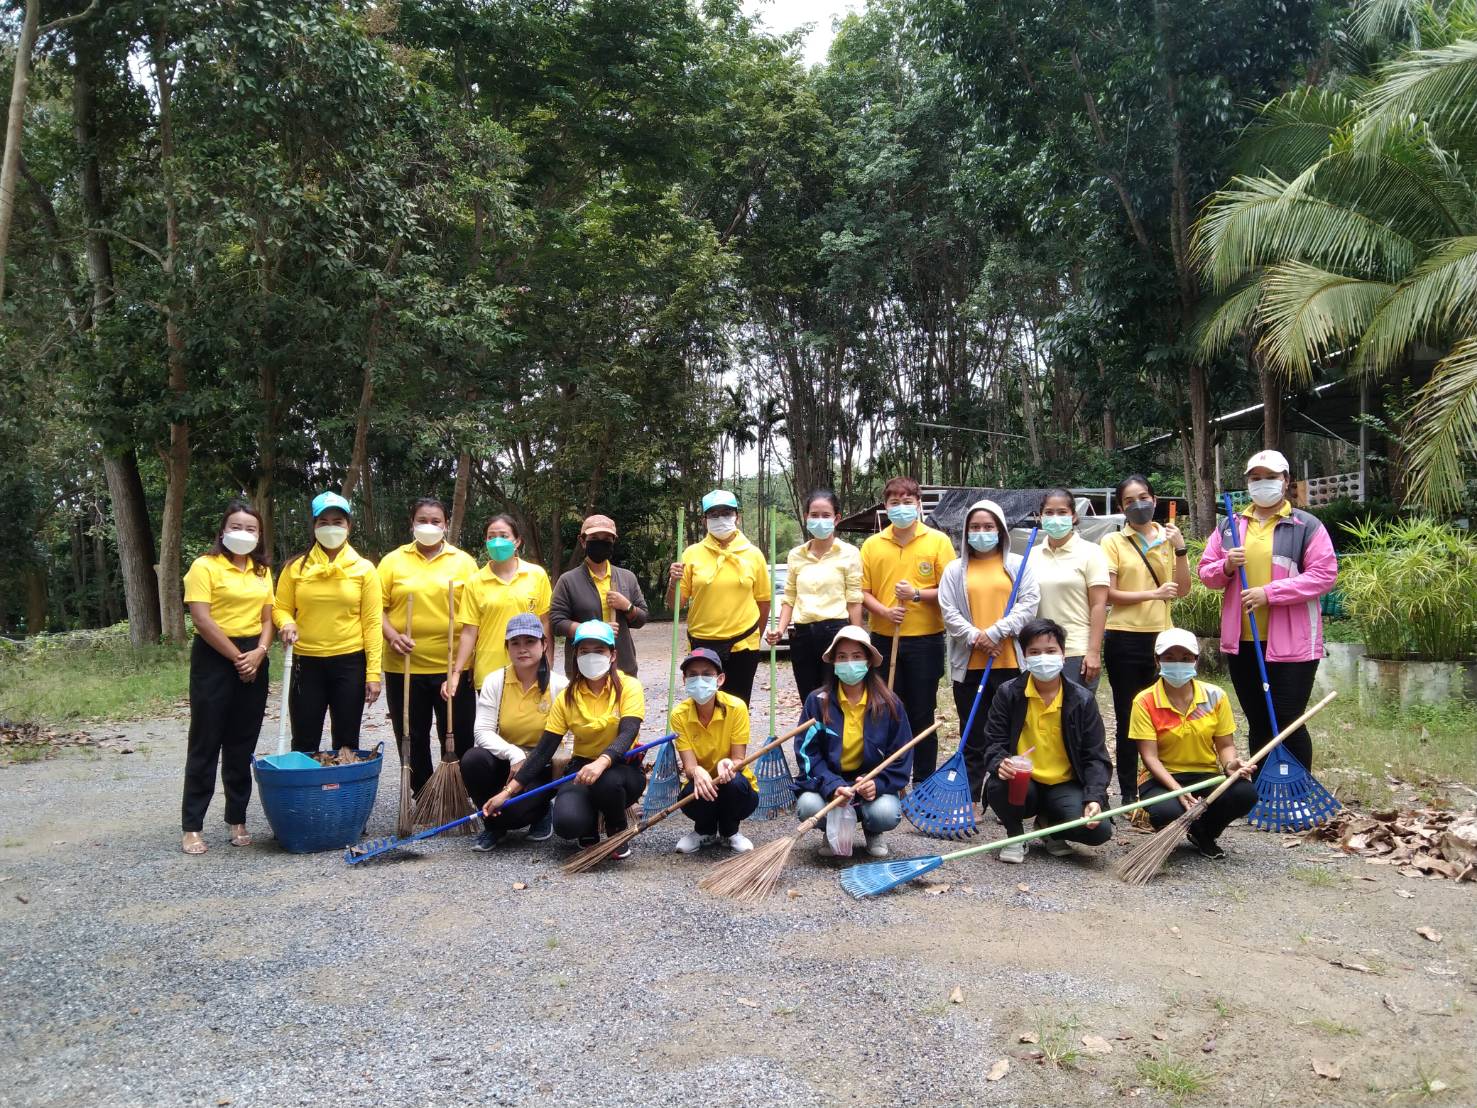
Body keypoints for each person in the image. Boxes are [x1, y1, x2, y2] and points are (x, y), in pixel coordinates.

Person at [1198, 450, 1337, 773]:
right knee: (1259, 719)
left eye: (1271, 477)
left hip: (1292, 644)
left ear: (1286, 481)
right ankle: (1264, 790)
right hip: (1244, 640)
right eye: (1256, 478)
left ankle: (1297, 793)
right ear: (1247, 483)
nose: (1263, 484)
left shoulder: (1306, 526)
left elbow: (1324, 575)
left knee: (1287, 719)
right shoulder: (1230, 525)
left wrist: (1269, 593)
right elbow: (1206, 573)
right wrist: (1227, 566)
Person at [483, 620, 646, 854]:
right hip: (581, 768)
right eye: (584, 651)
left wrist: (601, 763)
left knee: (606, 782)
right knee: (567, 823)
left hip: (622, 769)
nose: (591, 656)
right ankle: (587, 826)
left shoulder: (629, 686)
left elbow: (628, 732)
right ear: (576, 655)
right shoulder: (567, 696)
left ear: (612, 654)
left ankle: (616, 829)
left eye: (599, 650)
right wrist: (507, 792)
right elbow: (543, 751)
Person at [180, 501, 275, 855]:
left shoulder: (262, 572)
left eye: (251, 529)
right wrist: (237, 658)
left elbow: (269, 619)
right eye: (236, 527)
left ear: (259, 535)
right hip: (215, 657)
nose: (243, 534)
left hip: (254, 656)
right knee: (206, 741)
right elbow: (201, 619)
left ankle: (238, 818)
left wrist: (259, 653)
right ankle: (192, 826)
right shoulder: (204, 567)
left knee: (242, 742)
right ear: (223, 531)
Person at [979, 618, 1112, 864]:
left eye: (1051, 651)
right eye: (1035, 652)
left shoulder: (1082, 700)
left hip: (1064, 784)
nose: (1043, 658)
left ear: (1063, 655)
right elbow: (992, 741)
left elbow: (1095, 756)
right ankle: (1015, 836)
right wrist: (1000, 762)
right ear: (1025, 657)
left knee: (1099, 830)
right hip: (1022, 780)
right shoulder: (1009, 693)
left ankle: (1051, 828)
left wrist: (1094, 797)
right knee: (999, 784)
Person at [377, 497, 479, 794]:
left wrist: (461, 666)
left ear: (446, 525)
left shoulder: (464, 562)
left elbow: (474, 615)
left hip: (453, 666)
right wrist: (392, 635)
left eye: (436, 521)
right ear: (412, 524)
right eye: (422, 520)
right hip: (404, 667)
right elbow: (376, 609)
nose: (429, 526)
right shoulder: (392, 561)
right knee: (412, 733)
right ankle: (421, 792)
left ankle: (460, 792)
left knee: (459, 732)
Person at [940, 498, 1039, 801]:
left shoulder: (1018, 565)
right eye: (975, 527)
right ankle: (969, 795)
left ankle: (1003, 795)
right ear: (966, 531)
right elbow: (948, 610)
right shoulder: (955, 570)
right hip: (970, 664)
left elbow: (1029, 602)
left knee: (1008, 732)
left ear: (1000, 530)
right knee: (972, 734)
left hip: (1009, 662)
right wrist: (976, 637)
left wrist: (997, 631)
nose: (981, 532)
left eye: (988, 526)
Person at [859, 476, 957, 781]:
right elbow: (862, 592)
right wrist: (886, 611)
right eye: (894, 502)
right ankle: (891, 777)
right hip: (884, 640)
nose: (901, 508)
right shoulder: (873, 545)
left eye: (907, 501)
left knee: (921, 712)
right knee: (886, 711)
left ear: (918, 504)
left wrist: (916, 594)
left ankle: (923, 778)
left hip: (926, 640)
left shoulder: (938, 541)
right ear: (885, 506)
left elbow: (950, 590)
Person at [1101, 475, 1189, 803]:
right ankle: (1127, 792)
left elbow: (1182, 589)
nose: (1138, 505)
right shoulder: (1113, 542)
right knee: (1128, 715)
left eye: (1143, 497)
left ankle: (1163, 786)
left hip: (1163, 640)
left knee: (1163, 714)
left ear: (1153, 498)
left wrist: (1180, 548)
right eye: (1129, 501)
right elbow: (1109, 593)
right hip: (1124, 639)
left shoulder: (1168, 538)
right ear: (1122, 508)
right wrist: (1152, 593)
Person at [1131, 628, 1257, 859]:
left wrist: (1231, 765)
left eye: (1185, 658)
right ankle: (1193, 829)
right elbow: (1149, 757)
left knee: (1245, 794)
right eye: (1169, 658)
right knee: (1166, 811)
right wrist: (1177, 790)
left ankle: (1205, 832)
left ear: (1196, 661)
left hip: (1206, 774)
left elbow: (1225, 745)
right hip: (1161, 778)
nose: (1177, 663)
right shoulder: (1144, 701)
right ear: (1157, 661)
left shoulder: (1215, 696)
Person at [273, 492, 383, 754]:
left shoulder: (364, 569)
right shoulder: (295, 568)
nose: (331, 527)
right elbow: (281, 608)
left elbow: (372, 621)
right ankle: (304, 793)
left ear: (349, 526)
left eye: (338, 522)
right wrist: (286, 623)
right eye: (323, 522)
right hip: (306, 662)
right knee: (304, 738)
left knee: (346, 740)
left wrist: (373, 674)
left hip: (349, 662)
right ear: (313, 526)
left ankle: (344, 794)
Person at [794, 626, 914, 858]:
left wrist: (877, 784)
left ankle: (873, 830)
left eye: (857, 656)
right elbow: (807, 754)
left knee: (885, 813)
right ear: (834, 664)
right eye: (842, 657)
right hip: (832, 784)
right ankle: (832, 831)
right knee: (808, 805)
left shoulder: (889, 704)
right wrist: (831, 786)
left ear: (868, 661)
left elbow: (901, 756)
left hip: (870, 786)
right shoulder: (817, 702)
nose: (849, 663)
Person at [463, 614, 569, 850]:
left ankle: (542, 811)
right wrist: (513, 754)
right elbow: (482, 731)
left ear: (544, 645)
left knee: (515, 815)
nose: (522, 649)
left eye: (530, 642)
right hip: (507, 760)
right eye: (515, 643)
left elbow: (573, 736)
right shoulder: (495, 681)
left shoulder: (559, 686)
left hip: (543, 765)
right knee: (473, 759)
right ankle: (493, 826)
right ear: (507, 647)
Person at [666, 490, 770, 705]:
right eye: (713, 514)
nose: (720, 518)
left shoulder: (753, 554)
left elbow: (763, 601)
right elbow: (675, 604)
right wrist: (672, 581)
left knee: (738, 706)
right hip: (702, 641)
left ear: (737, 517)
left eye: (726, 513)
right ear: (705, 520)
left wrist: (755, 637)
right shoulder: (691, 554)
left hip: (743, 643)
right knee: (703, 703)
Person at [767, 489, 863, 703]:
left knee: (837, 699)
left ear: (836, 518)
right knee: (809, 699)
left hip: (836, 633)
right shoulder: (796, 555)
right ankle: (814, 736)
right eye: (814, 515)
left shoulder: (849, 553)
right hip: (802, 636)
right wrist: (779, 629)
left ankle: (837, 737)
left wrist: (857, 639)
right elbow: (789, 597)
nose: (820, 520)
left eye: (826, 515)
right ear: (806, 517)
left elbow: (854, 599)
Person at [448, 514, 553, 705]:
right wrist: (456, 672)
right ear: (486, 542)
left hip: (530, 666)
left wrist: (548, 662)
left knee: (529, 727)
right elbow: (470, 632)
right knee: (493, 730)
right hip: (490, 670)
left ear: (517, 541)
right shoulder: (475, 582)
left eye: (504, 536)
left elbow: (545, 623)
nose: (497, 541)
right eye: (491, 536)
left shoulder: (536, 575)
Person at [670, 649, 758, 854]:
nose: (699, 679)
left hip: (734, 785)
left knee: (733, 783)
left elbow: (738, 758)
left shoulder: (737, 707)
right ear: (684, 680)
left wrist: (728, 764)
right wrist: (696, 772)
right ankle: (704, 831)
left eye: (707, 673)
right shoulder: (679, 714)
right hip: (700, 787)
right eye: (692, 674)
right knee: (694, 788)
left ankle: (730, 832)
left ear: (720, 679)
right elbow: (689, 765)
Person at [549, 514, 649, 678]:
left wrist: (627, 606)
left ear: (613, 542)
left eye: (606, 539)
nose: (600, 542)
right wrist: (593, 630)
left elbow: (642, 619)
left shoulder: (627, 577)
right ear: (582, 541)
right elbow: (556, 623)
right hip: (583, 666)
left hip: (622, 666)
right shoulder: (568, 581)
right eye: (594, 537)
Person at [1033, 488, 1110, 690]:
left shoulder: (1091, 552)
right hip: (1039, 653)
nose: (1055, 518)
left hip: (1076, 651)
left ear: (1074, 516)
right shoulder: (1031, 556)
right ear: (1040, 516)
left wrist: (1093, 652)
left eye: (1062, 512)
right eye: (1049, 512)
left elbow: (1099, 605)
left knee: (1075, 718)